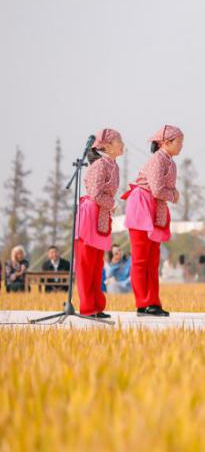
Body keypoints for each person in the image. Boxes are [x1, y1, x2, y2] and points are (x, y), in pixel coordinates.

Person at [123, 124, 183, 317]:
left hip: (155, 207)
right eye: (179, 142)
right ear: (165, 142)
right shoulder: (158, 160)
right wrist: (173, 195)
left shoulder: (169, 161)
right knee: (141, 259)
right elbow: (157, 189)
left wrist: (172, 194)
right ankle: (143, 303)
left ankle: (152, 302)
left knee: (152, 259)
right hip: (143, 206)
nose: (181, 145)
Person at [74, 128, 123, 317]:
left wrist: (109, 205)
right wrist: (112, 204)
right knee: (87, 264)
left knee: (96, 264)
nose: (122, 145)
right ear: (107, 146)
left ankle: (96, 305)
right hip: (91, 215)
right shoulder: (99, 165)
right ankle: (88, 307)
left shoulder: (113, 165)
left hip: (101, 214)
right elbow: (95, 193)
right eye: (119, 141)